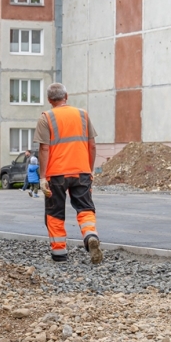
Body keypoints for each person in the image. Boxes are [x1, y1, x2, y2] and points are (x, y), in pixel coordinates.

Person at [34, 83, 103, 264]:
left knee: (55, 212)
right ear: (67, 96)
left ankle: (59, 254)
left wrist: (42, 177)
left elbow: (44, 149)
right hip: (81, 171)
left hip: (56, 174)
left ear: (49, 100)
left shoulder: (46, 118)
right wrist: (89, 170)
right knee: (85, 208)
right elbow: (93, 145)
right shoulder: (83, 115)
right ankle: (90, 236)